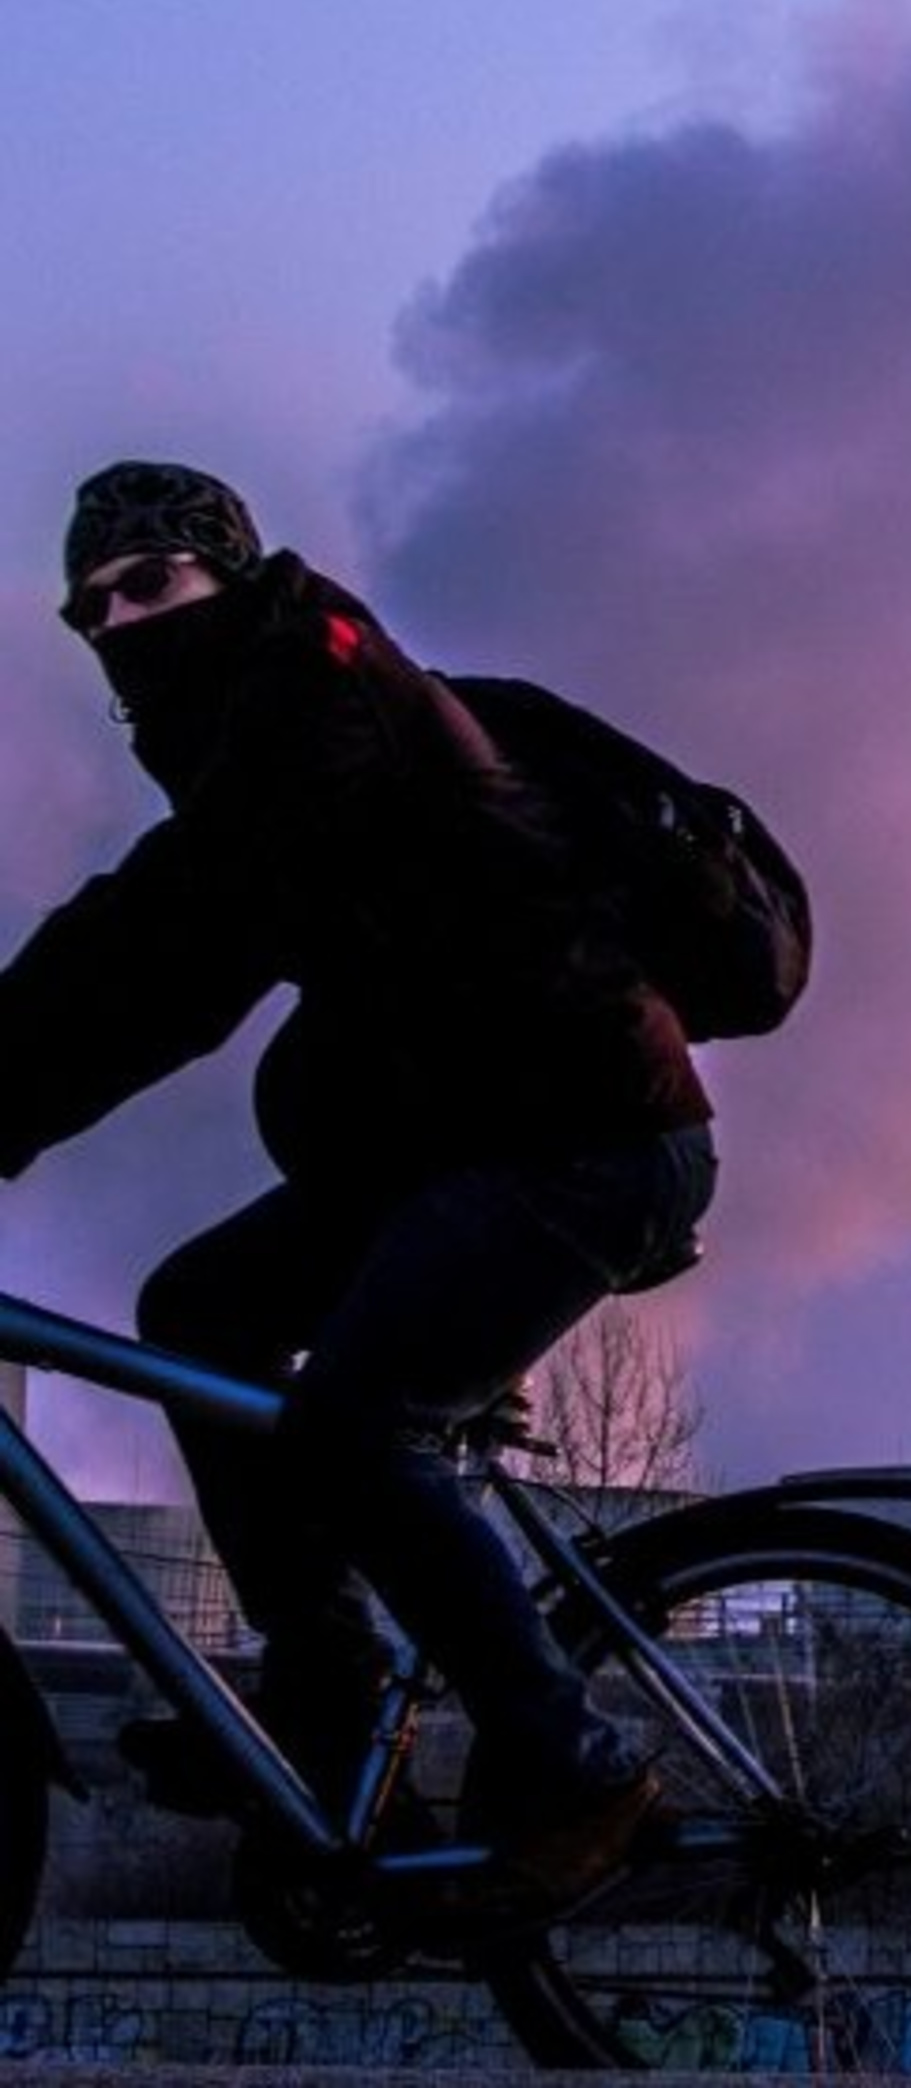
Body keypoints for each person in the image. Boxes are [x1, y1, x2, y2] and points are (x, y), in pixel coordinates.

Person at [0, 462, 718, 1919]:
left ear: (229, 574)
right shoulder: (247, 734)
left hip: (585, 1142)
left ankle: (576, 1765)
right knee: (195, 1310)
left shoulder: (318, 704)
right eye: (92, 607)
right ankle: (326, 1701)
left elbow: (163, 956)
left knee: (355, 1426)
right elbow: (148, 932)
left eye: (150, 585)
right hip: (463, 1146)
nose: (119, 622)